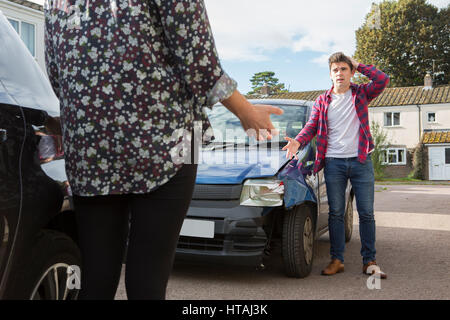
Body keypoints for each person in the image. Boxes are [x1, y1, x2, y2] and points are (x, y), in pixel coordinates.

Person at [43, 0, 282, 300]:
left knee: (96, 274)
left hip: (89, 143)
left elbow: (56, 73)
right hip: (174, 139)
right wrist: (246, 111)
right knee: (149, 277)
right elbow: (200, 62)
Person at [283, 52, 389, 279]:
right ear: (330, 74)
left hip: (361, 161)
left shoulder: (361, 94)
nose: (339, 73)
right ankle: (337, 259)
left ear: (351, 73)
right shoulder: (323, 101)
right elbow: (311, 126)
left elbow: (382, 80)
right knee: (337, 213)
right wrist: (298, 140)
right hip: (333, 163)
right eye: (335, 70)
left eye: (344, 69)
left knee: (367, 213)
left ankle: (369, 261)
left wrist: (359, 63)